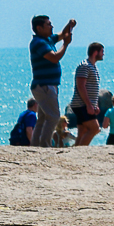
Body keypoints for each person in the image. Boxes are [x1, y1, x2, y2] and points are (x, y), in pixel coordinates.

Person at [28, 14, 76, 149]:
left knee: (43, 118)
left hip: (46, 85)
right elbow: (54, 58)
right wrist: (66, 45)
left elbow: (61, 34)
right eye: (48, 24)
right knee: (54, 117)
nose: (52, 26)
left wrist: (69, 25)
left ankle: (36, 145)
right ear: (39, 28)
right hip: (44, 86)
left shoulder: (47, 39)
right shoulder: (39, 43)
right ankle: (45, 145)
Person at [68, 42, 105, 146]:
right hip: (81, 104)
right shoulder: (85, 66)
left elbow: (92, 88)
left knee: (83, 131)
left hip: (86, 104)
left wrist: (95, 105)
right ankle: (81, 151)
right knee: (95, 128)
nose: (103, 54)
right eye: (102, 52)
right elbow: (81, 86)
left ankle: (75, 152)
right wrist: (88, 104)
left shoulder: (93, 67)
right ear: (95, 52)